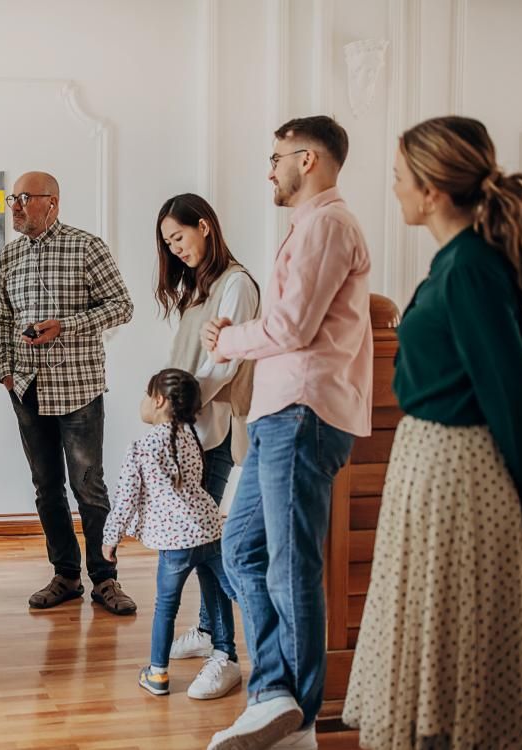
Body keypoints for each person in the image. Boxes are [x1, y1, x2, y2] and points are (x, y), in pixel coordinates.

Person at [343, 116, 522, 749]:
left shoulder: (469, 267)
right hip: (433, 463)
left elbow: (516, 389)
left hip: (456, 470)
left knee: (449, 618)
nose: (393, 189)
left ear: (434, 190)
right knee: (435, 616)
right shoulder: (458, 260)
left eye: (398, 177)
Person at [203, 116, 373, 750]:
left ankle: (296, 719)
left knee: (289, 566)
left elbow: (295, 327)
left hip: (303, 412)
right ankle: (275, 695)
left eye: (276, 157)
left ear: (309, 159)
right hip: (283, 413)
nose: (269, 169)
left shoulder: (328, 224)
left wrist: (231, 339)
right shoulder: (310, 227)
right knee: (242, 550)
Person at [0, 171, 136, 614]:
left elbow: (122, 306)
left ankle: (106, 579)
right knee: (46, 488)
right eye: (12, 198)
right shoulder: (9, 257)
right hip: (27, 389)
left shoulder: (87, 246)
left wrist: (66, 326)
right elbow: (2, 320)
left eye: (24, 198)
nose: (15, 205)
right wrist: (5, 369)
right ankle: (66, 575)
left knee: (89, 487)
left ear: (51, 202)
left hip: (78, 388)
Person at [154, 193, 260, 663]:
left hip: (211, 433)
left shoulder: (236, 285)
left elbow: (225, 366)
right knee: (199, 540)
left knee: (201, 542)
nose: (175, 249)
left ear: (205, 226)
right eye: (168, 244)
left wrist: (175, 403)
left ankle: (226, 652)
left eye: (179, 237)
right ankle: (207, 631)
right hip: (187, 432)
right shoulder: (198, 287)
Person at [102, 368, 240, 700]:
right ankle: (224, 651)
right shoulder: (192, 437)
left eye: (147, 396)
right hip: (208, 530)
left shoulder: (142, 446)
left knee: (166, 606)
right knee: (218, 595)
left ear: (159, 400)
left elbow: (125, 498)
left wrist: (110, 537)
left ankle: (158, 674)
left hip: (176, 543)